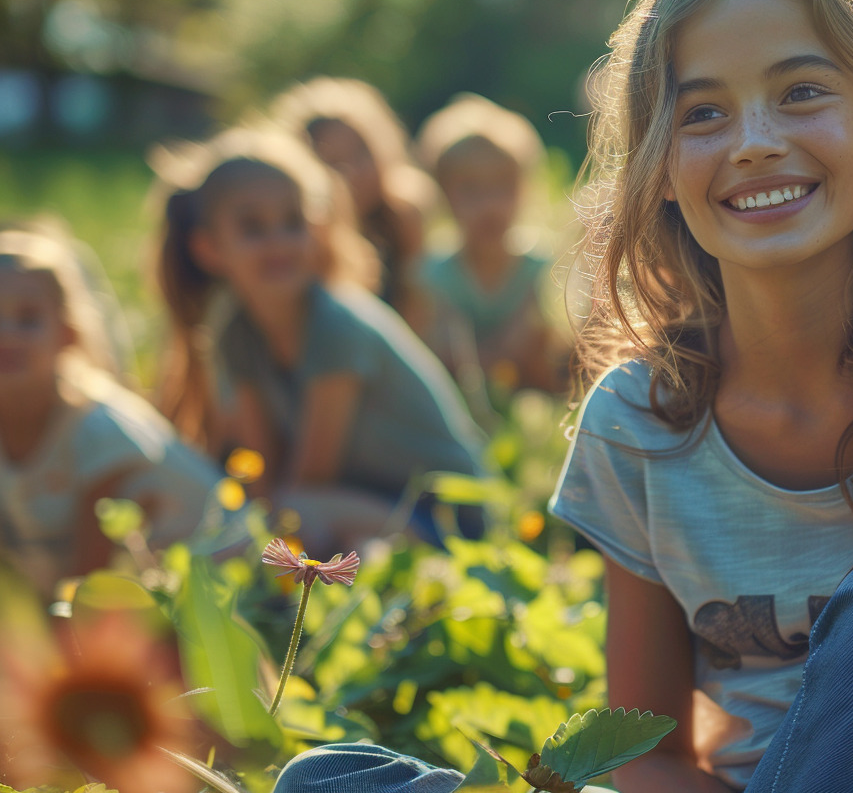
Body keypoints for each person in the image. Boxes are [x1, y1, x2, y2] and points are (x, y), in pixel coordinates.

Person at [271, 0, 853, 793]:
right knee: (330, 778)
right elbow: (652, 752)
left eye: (800, 92)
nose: (755, 143)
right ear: (661, 171)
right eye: (703, 113)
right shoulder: (637, 418)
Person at [151, 126, 488, 549]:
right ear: (210, 249)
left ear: (317, 229)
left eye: (293, 222)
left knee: (299, 516)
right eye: (253, 228)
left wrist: (253, 543)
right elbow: (262, 471)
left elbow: (311, 478)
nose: (278, 242)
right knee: (275, 519)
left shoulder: (336, 323)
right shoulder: (233, 330)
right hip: (357, 506)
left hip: (451, 521)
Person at [0, 222, 217, 597]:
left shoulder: (97, 429)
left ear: (68, 334)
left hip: (222, 580)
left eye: (28, 319)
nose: (7, 333)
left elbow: (89, 583)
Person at [417, 93, 569, 404]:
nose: (489, 205)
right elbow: (443, 357)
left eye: (503, 186)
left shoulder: (541, 266)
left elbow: (539, 354)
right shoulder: (432, 273)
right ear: (443, 193)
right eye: (470, 190)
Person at [272, 77, 440, 332]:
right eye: (333, 163)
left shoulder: (403, 215)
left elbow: (419, 312)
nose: (353, 174)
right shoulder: (302, 234)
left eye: (361, 153)